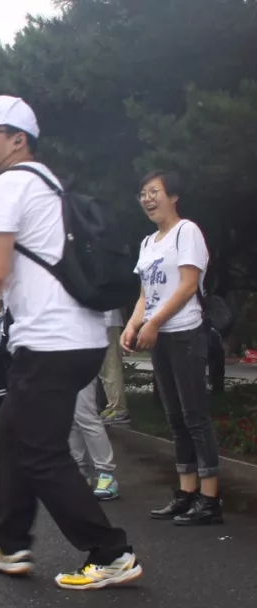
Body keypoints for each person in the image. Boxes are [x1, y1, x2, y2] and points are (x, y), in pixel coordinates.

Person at [0, 94, 140, 590]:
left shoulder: (5, 186)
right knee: (17, 437)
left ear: (18, 140)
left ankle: (111, 553)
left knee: (40, 451)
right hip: (82, 338)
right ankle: (11, 545)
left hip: (49, 342)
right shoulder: (52, 185)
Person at [125, 170, 222, 526]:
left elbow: (187, 286)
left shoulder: (187, 232)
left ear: (173, 196)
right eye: (143, 193)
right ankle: (186, 492)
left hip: (185, 333)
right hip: (160, 337)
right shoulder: (148, 243)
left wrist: (153, 323)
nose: (147, 199)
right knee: (175, 418)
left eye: (154, 191)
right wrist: (134, 323)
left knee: (195, 416)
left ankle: (210, 499)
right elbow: (145, 295)